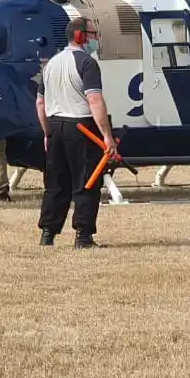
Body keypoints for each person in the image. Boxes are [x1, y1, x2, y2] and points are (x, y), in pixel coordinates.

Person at [35, 16, 115, 248]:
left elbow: (40, 103)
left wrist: (47, 133)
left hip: (55, 126)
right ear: (81, 36)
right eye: (92, 34)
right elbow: (95, 100)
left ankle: (48, 233)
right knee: (86, 181)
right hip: (81, 128)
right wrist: (107, 136)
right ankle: (83, 235)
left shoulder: (50, 64)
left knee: (55, 183)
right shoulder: (87, 63)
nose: (95, 38)